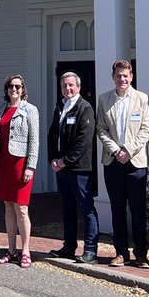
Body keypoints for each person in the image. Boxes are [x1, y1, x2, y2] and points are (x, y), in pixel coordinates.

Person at [96, 59, 149, 267]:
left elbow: (146, 129)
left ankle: (141, 254)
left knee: (138, 210)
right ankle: (121, 252)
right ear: (113, 77)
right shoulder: (104, 99)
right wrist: (115, 150)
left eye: (126, 76)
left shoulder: (142, 99)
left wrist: (128, 150)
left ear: (131, 77)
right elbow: (101, 128)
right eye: (119, 75)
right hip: (112, 162)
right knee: (117, 209)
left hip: (135, 162)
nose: (122, 79)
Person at [47, 70, 98, 263]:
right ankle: (69, 247)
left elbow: (83, 140)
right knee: (67, 208)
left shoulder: (85, 108)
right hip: (62, 169)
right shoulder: (61, 106)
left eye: (71, 85)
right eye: (64, 85)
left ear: (78, 87)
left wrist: (65, 160)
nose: (67, 88)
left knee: (87, 208)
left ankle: (91, 251)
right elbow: (53, 134)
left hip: (79, 169)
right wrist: (52, 159)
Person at [0, 74, 40, 268]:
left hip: (21, 164)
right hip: (4, 162)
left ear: (23, 89)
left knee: (21, 208)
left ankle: (26, 250)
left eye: (18, 87)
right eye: (11, 86)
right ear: (6, 89)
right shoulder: (2, 109)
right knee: (8, 206)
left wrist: (31, 166)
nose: (14, 89)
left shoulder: (30, 110)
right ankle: (11, 250)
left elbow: (34, 140)